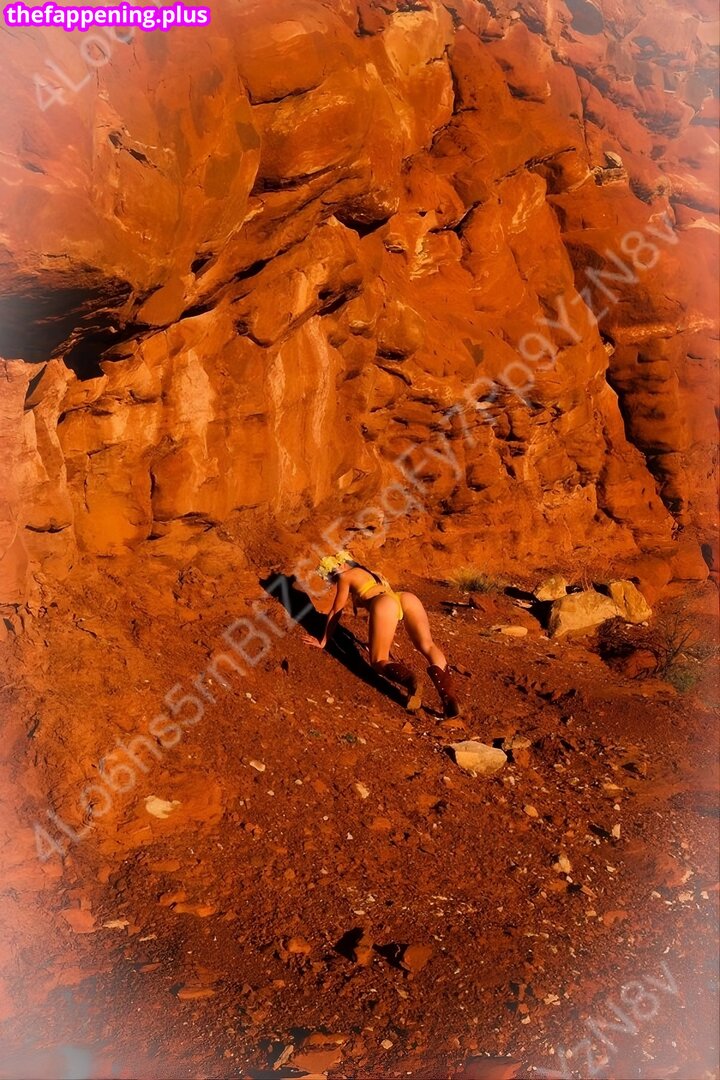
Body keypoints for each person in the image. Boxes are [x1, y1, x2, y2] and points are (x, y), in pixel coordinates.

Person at [303, 550, 461, 718]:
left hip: (385, 604)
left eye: (332, 572)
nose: (334, 577)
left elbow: (336, 610)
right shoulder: (371, 574)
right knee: (427, 645)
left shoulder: (345, 577)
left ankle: (410, 680)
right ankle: (449, 699)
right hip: (405, 598)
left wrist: (324, 640)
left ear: (342, 564)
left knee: (378, 661)